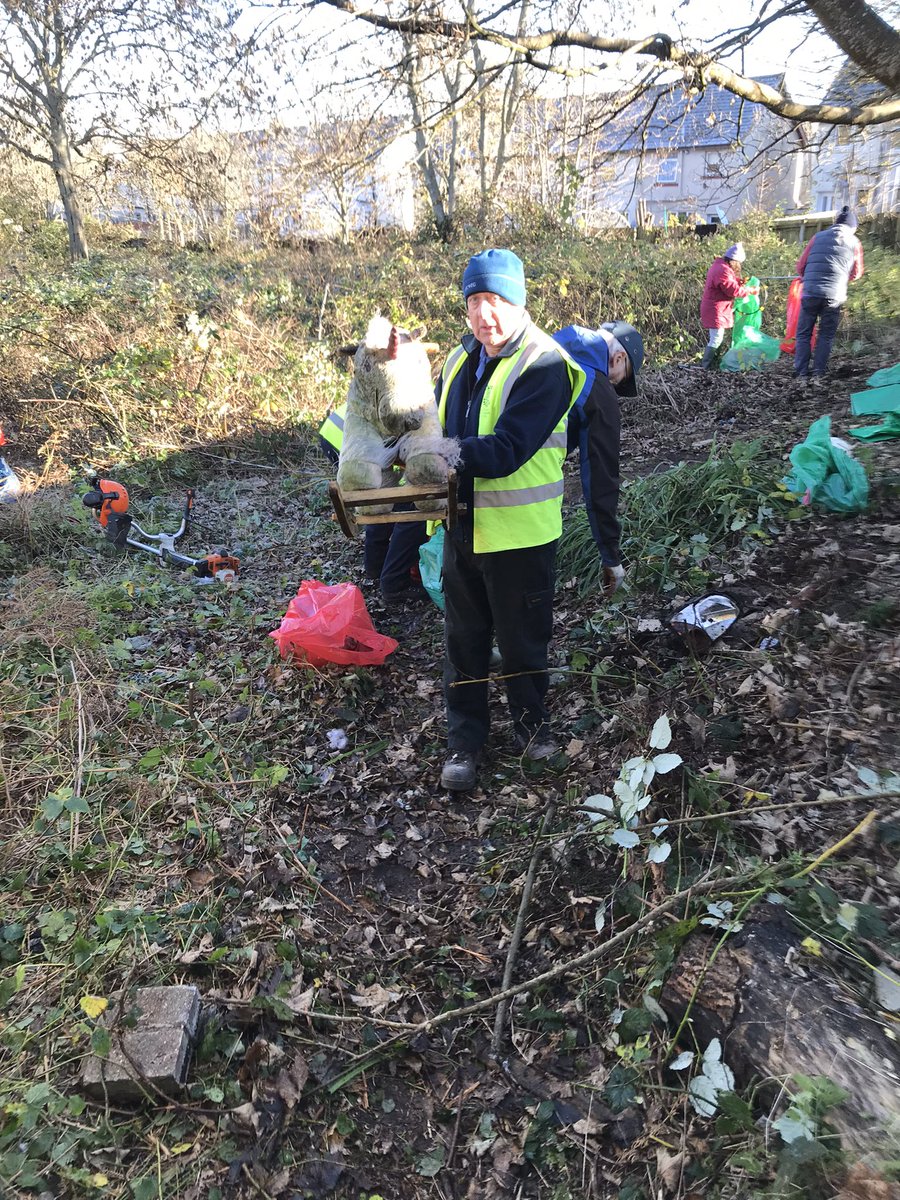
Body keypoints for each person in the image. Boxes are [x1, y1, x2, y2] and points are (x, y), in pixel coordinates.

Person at [436, 249, 587, 792]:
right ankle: (466, 740)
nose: (484, 316)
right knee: (464, 641)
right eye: (474, 302)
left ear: (518, 302)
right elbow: (437, 422)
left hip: (521, 540)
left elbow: (505, 451)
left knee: (523, 643)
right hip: (462, 531)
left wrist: (436, 452)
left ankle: (532, 729)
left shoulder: (546, 365)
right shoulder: (458, 360)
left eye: (495, 301)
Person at [552, 322, 644, 598]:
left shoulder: (553, 344)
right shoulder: (595, 386)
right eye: (620, 378)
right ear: (618, 358)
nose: (613, 384)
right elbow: (600, 477)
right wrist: (611, 557)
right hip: (521, 497)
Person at [318, 402, 428, 604]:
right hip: (346, 438)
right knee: (409, 506)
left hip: (335, 431)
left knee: (380, 499)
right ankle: (394, 582)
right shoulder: (428, 405)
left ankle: (376, 567)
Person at [794, 206, 864, 383]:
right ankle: (818, 372)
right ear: (852, 226)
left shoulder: (817, 237)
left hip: (810, 293)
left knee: (803, 334)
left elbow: (800, 266)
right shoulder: (855, 242)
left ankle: (801, 372)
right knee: (825, 335)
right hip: (834, 295)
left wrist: (808, 278)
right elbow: (856, 273)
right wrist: (841, 278)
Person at [699, 242, 754, 370]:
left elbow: (728, 283)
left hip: (716, 307)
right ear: (734, 261)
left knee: (717, 337)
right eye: (739, 263)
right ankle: (706, 366)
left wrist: (739, 282)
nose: (739, 266)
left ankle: (713, 363)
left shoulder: (720, 267)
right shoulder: (723, 270)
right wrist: (748, 291)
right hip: (715, 308)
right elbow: (732, 290)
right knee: (716, 338)